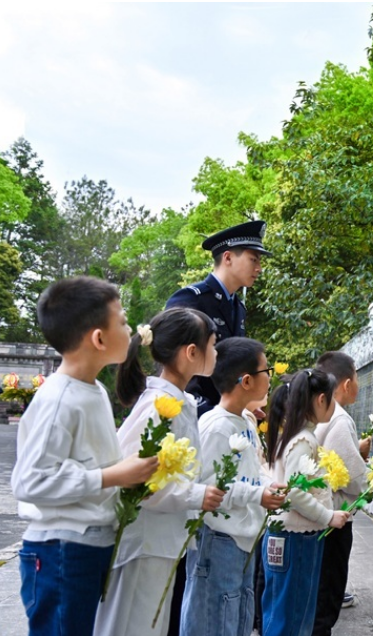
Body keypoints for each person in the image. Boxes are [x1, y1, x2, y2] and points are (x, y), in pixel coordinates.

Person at [11, 276, 159, 636]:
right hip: (61, 550)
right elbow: (30, 481)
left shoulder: (90, 392)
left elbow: (92, 466)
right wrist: (114, 477)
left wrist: (130, 480)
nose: (130, 329)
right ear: (98, 338)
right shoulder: (60, 400)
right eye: (122, 321)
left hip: (82, 545)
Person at [94, 307, 226, 636]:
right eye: (213, 345)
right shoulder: (159, 406)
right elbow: (135, 480)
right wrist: (196, 494)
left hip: (158, 541)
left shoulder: (176, 402)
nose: (217, 353)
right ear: (191, 353)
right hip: (145, 543)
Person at [180, 337, 286, 636]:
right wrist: (258, 495)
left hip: (242, 536)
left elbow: (250, 470)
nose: (270, 377)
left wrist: (268, 485)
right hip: (219, 539)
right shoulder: (216, 426)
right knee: (215, 616)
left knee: (238, 611)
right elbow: (211, 487)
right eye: (267, 371)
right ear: (247, 380)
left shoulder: (245, 423)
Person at [262, 369, 351, 636]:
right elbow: (294, 492)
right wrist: (328, 516)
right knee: (293, 617)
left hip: (290, 536)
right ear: (321, 399)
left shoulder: (295, 435)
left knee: (283, 614)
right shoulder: (304, 439)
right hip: (296, 538)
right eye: (332, 400)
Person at [165, 219, 272, 417]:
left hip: (225, 417)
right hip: (194, 416)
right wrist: (206, 412)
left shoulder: (238, 307)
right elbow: (177, 364)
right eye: (253, 259)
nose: (259, 268)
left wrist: (244, 403)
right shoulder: (191, 299)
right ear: (228, 258)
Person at [311, 352, 371, 636]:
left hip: (317, 516)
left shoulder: (319, 411)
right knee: (327, 597)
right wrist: (372, 474)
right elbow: (353, 479)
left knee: (318, 593)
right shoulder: (339, 418)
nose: (358, 383)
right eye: (357, 377)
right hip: (334, 520)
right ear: (347, 384)